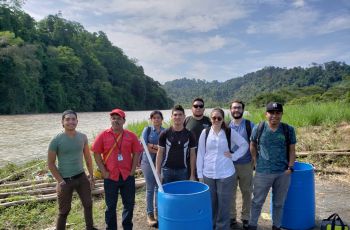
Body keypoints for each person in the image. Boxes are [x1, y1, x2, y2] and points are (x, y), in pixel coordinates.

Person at [197, 108, 249, 230]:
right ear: (210, 119)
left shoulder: (229, 132)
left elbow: (244, 144)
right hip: (208, 174)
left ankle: (222, 227)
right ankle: (212, 225)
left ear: (223, 119)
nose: (216, 120)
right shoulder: (205, 133)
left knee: (224, 204)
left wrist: (234, 156)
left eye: (219, 118)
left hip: (226, 173)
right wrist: (200, 175)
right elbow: (200, 154)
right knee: (212, 203)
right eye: (214, 118)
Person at [92, 108, 142, 230]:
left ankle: (127, 227)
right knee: (110, 206)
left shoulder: (131, 136)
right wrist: (104, 172)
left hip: (127, 175)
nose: (115, 121)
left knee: (129, 205)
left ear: (124, 121)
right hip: (110, 176)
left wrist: (132, 170)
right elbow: (96, 153)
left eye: (118, 118)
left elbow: (136, 152)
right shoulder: (103, 135)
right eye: (113, 118)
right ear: (110, 120)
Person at [248, 102, 296, 230]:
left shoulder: (288, 129)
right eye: (271, 113)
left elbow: (292, 150)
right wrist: (255, 161)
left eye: (277, 113)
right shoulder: (259, 128)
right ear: (266, 114)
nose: (274, 116)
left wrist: (290, 167)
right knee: (257, 201)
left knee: (279, 203)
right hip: (262, 172)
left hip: (282, 173)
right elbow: (252, 144)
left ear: (281, 114)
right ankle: (252, 225)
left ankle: (277, 226)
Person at [48, 110, 96, 230]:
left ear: (77, 121)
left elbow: (88, 159)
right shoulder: (56, 140)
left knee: (88, 204)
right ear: (62, 122)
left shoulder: (83, 137)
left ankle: (90, 227)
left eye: (73, 119)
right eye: (67, 119)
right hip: (65, 180)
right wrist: (60, 181)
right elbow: (50, 163)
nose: (71, 122)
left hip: (81, 176)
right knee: (64, 211)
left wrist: (91, 175)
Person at [229, 100, 255, 229]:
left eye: (239, 108)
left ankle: (245, 217)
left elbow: (255, 144)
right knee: (230, 192)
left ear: (243, 109)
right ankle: (231, 216)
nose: (236, 110)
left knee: (246, 191)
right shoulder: (226, 126)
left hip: (246, 164)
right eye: (234, 108)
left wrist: (254, 161)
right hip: (229, 166)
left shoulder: (250, 125)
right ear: (230, 110)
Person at [156, 104, 196, 184]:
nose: (177, 117)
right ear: (171, 117)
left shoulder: (189, 134)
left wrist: (192, 174)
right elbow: (159, 153)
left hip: (183, 171)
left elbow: (192, 155)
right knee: (167, 195)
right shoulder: (165, 133)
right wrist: (158, 172)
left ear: (184, 116)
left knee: (181, 195)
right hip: (166, 170)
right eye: (175, 115)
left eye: (180, 115)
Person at [140, 110, 165, 227]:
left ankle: (158, 212)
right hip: (148, 163)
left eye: (158, 117)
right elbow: (144, 146)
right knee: (150, 189)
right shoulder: (147, 130)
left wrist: (153, 146)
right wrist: (158, 148)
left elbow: (164, 149)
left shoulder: (165, 131)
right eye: (154, 118)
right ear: (151, 119)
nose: (156, 120)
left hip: (160, 163)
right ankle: (150, 215)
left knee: (158, 188)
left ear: (162, 119)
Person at [184, 97, 212, 179]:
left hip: (205, 158)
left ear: (204, 109)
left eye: (200, 106)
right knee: (191, 182)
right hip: (189, 158)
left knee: (204, 182)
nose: (198, 108)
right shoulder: (186, 120)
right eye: (195, 106)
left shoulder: (209, 121)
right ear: (191, 108)